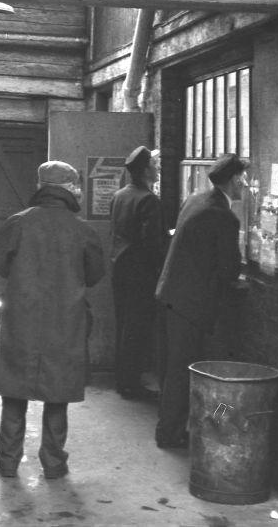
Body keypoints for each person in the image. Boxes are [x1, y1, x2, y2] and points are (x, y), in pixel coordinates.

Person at [0, 160, 105, 480]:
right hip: (65, 323)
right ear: (67, 189)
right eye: (77, 185)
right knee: (58, 393)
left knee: (15, 389)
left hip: (20, 319)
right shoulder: (83, 230)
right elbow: (94, 275)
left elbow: (0, 265)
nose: (80, 190)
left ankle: (8, 461)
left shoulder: (17, 223)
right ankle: (53, 462)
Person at [154, 153, 249, 449]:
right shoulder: (223, 215)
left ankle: (171, 430)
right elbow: (229, 268)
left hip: (174, 294)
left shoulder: (196, 199)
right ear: (234, 180)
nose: (245, 185)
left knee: (177, 369)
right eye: (243, 179)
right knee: (188, 370)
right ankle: (174, 434)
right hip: (193, 303)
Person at [109, 146, 165, 400]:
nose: (157, 169)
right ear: (145, 170)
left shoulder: (119, 195)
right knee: (137, 327)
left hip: (120, 267)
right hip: (141, 272)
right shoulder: (149, 200)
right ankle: (131, 384)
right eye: (154, 165)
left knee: (125, 324)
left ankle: (124, 379)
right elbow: (152, 243)